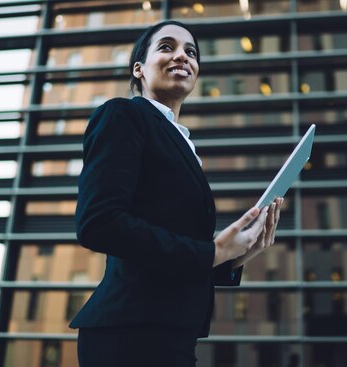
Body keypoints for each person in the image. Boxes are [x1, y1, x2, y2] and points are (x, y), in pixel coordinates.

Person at [70, 20, 283, 367]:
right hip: (131, 334)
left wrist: (233, 257)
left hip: (170, 333)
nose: (182, 56)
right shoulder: (123, 115)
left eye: (191, 52)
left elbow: (170, 254)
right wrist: (211, 252)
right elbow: (99, 222)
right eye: (167, 47)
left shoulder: (180, 140)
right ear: (138, 69)